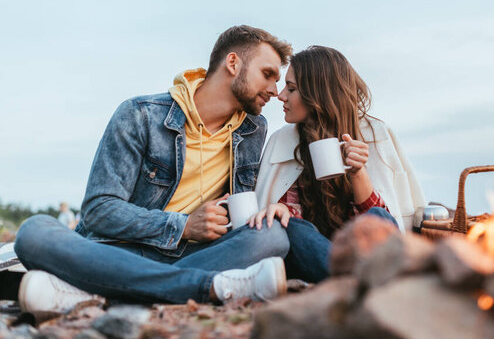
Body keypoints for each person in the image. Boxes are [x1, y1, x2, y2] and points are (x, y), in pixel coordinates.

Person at [14, 26, 293, 316]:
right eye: (267, 74)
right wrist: (183, 225)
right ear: (233, 63)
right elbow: (99, 210)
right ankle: (209, 287)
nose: (275, 90)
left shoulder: (254, 130)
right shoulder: (140, 114)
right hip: (118, 251)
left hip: (197, 255)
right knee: (34, 232)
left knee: (273, 235)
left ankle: (94, 294)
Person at [250, 46, 426, 283]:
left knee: (376, 216)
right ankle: (366, 282)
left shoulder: (375, 134)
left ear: (318, 95)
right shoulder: (281, 142)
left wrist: (358, 171)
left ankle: (360, 280)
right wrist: (281, 211)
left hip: (364, 251)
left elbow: (384, 223)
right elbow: (282, 225)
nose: (281, 96)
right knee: (291, 228)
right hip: (316, 256)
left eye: (291, 89)